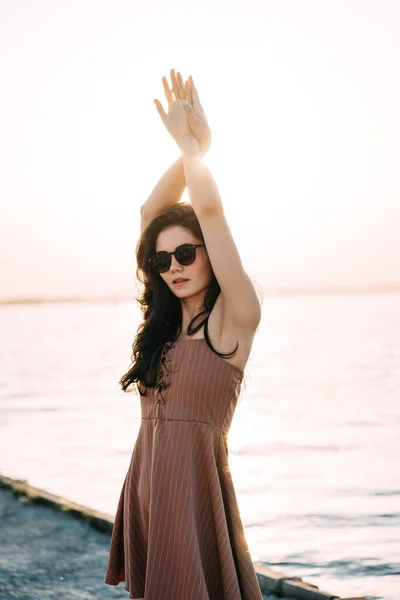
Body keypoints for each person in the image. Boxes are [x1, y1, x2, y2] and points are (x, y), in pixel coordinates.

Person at [104, 68, 263, 600]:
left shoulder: (233, 317)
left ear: (211, 257)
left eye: (187, 254)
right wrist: (192, 150)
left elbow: (211, 210)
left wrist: (196, 151)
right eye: (163, 258)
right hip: (149, 481)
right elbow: (151, 213)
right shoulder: (164, 329)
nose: (174, 266)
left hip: (194, 491)